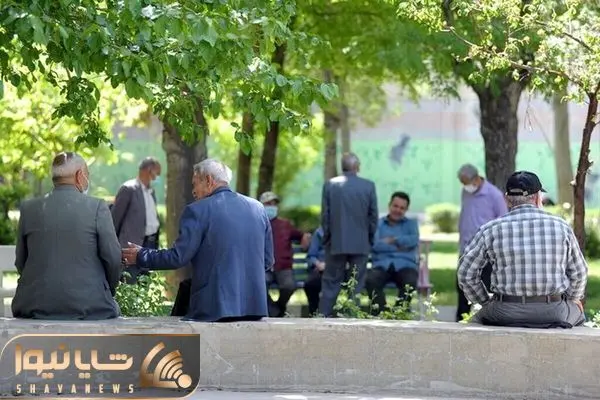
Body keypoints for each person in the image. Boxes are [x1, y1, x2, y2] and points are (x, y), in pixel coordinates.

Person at [121, 159, 273, 322]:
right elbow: (268, 260)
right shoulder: (258, 208)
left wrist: (141, 255)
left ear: (208, 180)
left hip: (214, 309)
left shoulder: (197, 211)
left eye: (194, 184)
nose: (193, 191)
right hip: (254, 308)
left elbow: (178, 257)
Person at [458, 171, 587, 328]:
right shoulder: (561, 227)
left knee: (475, 322)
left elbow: (465, 273)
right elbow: (579, 272)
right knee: (578, 314)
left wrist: (484, 301)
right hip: (554, 311)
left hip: (504, 311)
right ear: (538, 197)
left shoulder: (490, 229)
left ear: (507, 200)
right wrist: (571, 298)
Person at [12, 152, 122, 320]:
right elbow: (113, 259)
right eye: (87, 174)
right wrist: (109, 290)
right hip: (91, 307)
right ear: (79, 176)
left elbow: (21, 261)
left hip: (33, 306)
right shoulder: (97, 207)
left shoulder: (29, 209)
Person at [319, 152, 378, 317]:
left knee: (331, 283)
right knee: (356, 285)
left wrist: (327, 238)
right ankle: (352, 318)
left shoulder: (330, 185)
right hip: (360, 243)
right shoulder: (368, 186)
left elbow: (325, 216)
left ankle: (324, 317)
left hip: (336, 242)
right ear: (356, 166)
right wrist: (369, 238)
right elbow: (373, 216)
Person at [456, 163, 508, 321]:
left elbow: (503, 221)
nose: (465, 186)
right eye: (462, 183)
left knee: (484, 287)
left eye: (466, 182)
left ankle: (485, 320)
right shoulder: (466, 192)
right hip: (466, 248)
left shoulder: (494, 195)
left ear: (476, 179)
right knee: (461, 287)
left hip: (485, 252)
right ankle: (461, 321)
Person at [366, 192, 420, 315]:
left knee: (410, 281)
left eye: (402, 208)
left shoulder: (411, 224)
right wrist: (401, 247)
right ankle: (382, 314)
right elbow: (375, 245)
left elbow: (413, 241)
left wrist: (393, 240)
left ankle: (399, 314)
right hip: (381, 265)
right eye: (395, 206)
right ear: (389, 205)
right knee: (370, 280)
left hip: (405, 265)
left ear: (406, 210)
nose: (398, 210)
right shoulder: (378, 224)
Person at [111, 157, 162, 283]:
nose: (157, 177)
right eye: (157, 173)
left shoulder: (151, 192)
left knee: (144, 283)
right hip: (132, 245)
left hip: (150, 245)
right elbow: (115, 220)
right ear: (148, 170)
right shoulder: (128, 189)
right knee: (129, 282)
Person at [260, 191, 311, 317]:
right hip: (263, 267)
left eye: (274, 204)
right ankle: (274, 311)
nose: (271, 206)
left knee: (289, 286)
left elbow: (301, 236)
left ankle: (278, 309)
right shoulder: (256, 223)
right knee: (259, 285)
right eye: (268, 204)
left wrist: (305, 238)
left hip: (283, 267)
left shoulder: (285, 224)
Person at [304, 226, 326, 316]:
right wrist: (318, 263)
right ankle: (314, 314)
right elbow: (311, 256)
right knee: (310, 284)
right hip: (320, 269)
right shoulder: (319, 232)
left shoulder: (345, 232)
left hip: (338, 269)